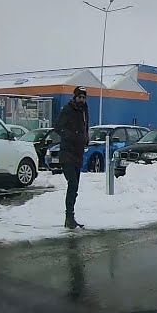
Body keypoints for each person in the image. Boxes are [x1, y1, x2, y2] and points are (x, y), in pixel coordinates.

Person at [54, 86, 90, 229]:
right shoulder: (68, 109)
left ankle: (70, 218)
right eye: (79, 97)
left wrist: (86, 137)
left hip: (78, 153)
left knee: (75, 188)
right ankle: (69, 216)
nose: (81, 100)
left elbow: (85, 126)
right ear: (75, 97)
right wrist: (71, 136)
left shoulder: (84, 110)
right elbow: (58, 127)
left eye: (83, 97)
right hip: (67, 152)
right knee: (72, 184)